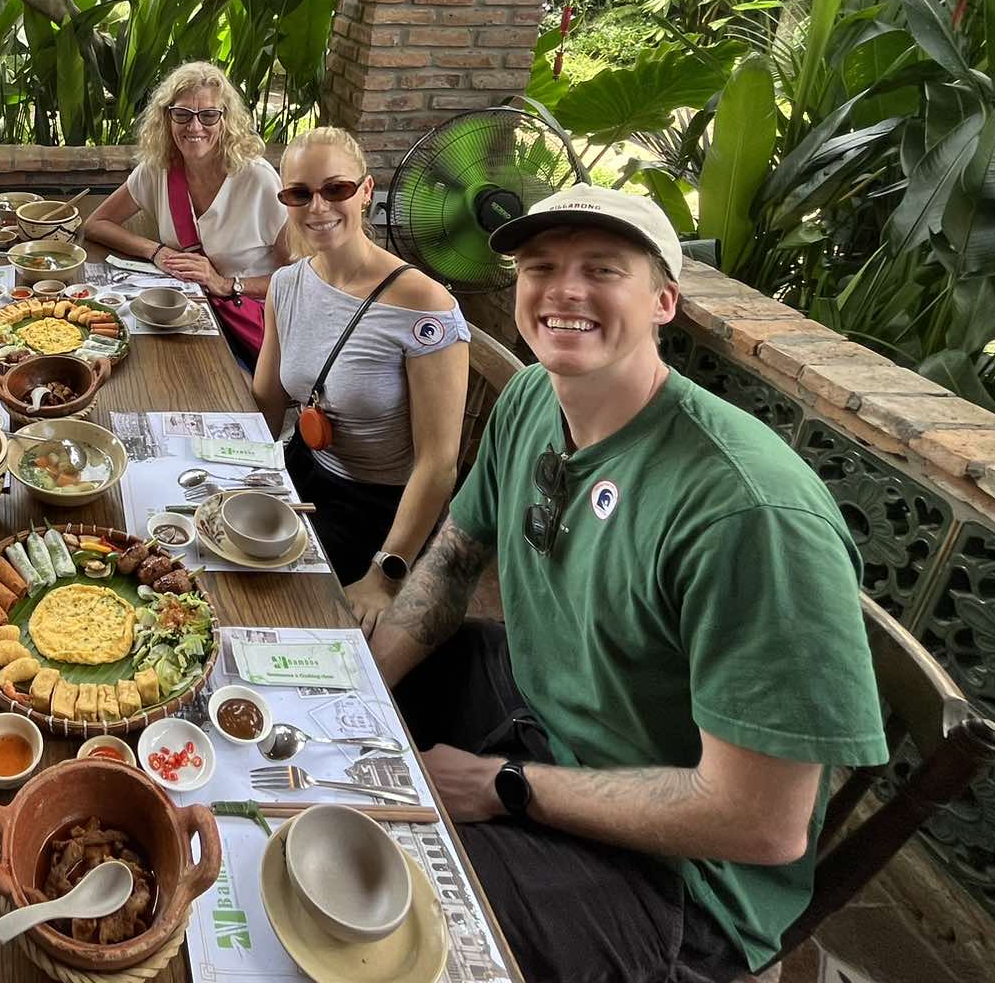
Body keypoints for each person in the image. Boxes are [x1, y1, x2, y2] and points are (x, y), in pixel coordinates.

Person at [368, 187, 887, 983]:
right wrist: (367, 688)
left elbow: (761, 821)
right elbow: (454, 558)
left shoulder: (748, 514)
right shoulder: (535, 399)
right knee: (323, 727)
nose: (563, 290)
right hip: (543, 712)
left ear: (663, 301)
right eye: (540, 267)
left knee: (389, 920)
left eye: (601, 269)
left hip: (678, 874)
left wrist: (505, 787)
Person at [251, 127, 469, 617]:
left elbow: (438, 465)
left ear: (366, 191)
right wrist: (237, 476)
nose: (318, 207)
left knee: (284, 611)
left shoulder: (424, 307)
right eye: (300, 193)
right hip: (303, 476)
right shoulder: (286, 285)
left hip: (382, 514)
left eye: (336, 189)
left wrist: (385, 575)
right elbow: (265, 402)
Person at [82, 61, 289, 367]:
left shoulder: (257, 179)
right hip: (189, 312)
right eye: (182, 114)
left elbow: (303, 276)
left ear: (225, 120)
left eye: (208, 115)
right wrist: (156, 251)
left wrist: (226, 284)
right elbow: (96, 223)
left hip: (250, 322)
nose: (194, 127)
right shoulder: (159, 168)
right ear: (167, 118)